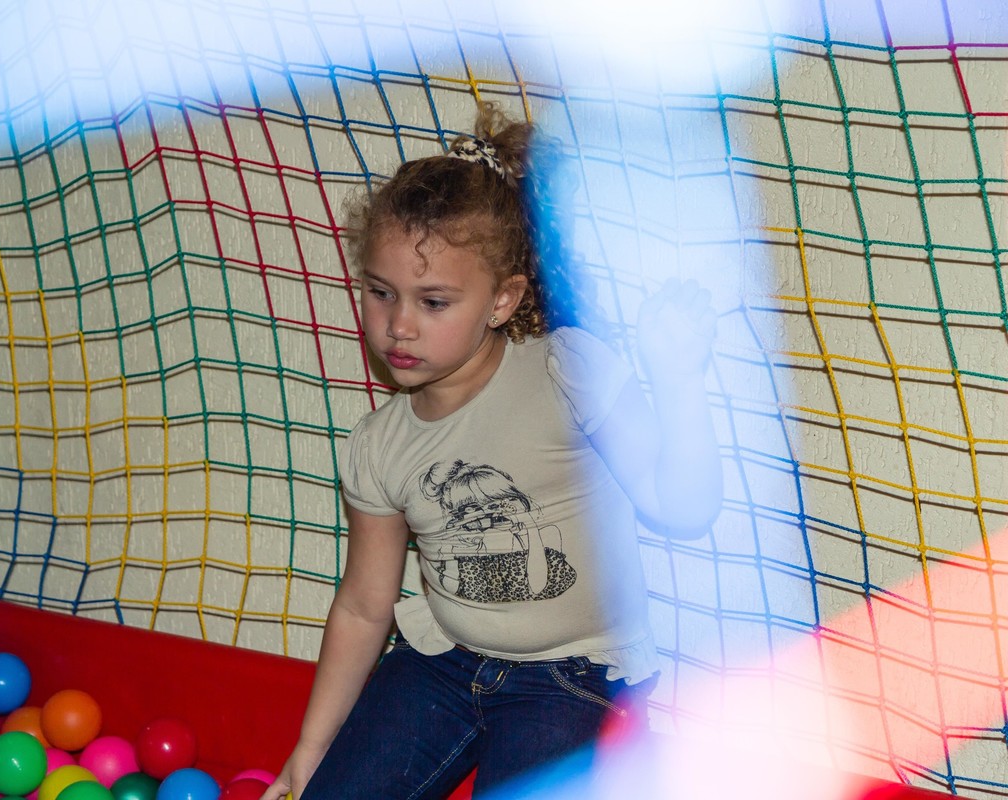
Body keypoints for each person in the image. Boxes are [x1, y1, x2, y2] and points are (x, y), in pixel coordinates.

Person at [259, 102, 722, 800]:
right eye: (381, 293)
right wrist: (312, 747)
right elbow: (362, 605)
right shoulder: (379, 444)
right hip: (441, 661)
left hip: (571, 677)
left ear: (502, 301)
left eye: (434, 301)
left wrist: (679, 379)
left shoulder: (566, 372)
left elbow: (681, 507)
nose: (399, 325)